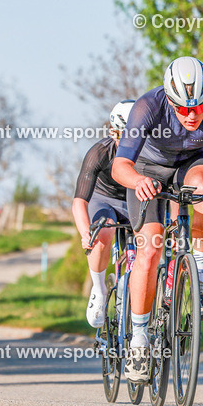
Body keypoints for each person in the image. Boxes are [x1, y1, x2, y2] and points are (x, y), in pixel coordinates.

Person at [111, 57, 203, 382]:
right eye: (183, 109)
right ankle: (138, 341)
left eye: (199, 107)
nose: (192, 115)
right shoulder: (148, 106)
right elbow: (120, 165)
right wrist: (137, 181)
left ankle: (201, 281)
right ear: (170, 99)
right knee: (149, 248)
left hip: (192, 163)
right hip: (147, 170)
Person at [71, 100, 134, 328]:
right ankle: (99, 289)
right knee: (102, 231)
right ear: (112, 132)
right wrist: (85, 232)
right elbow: (79, 201)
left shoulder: (152, 153)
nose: (127, 142)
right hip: (104, 199)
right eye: (121, 136)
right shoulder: (99, 153)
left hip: (134, 200)